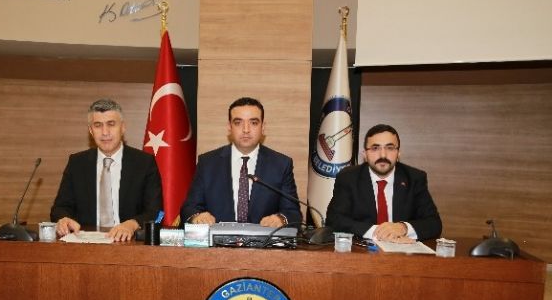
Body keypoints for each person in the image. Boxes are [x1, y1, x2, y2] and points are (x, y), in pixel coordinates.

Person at [51, 98, 162, 241]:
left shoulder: (144, 163)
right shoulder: (77, 163)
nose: (105, 132)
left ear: (123, 127)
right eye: (98, 125)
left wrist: (132, 224)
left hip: (128, 243)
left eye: (111, 124)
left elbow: (156, 211)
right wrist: (63, 219)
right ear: (91, 130)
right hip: (85, 243)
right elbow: (59, 208)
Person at [180, 97, 302, 227]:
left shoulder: (281, 165)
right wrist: (197, 217)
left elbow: (293, 213)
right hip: (218, 239)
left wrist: (281, 219)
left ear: (263, 127)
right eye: (238, 123)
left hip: (264, 239)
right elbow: (189, 208)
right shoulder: (207, 163)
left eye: (253, 123)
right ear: (229, 127)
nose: (246, 129)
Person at [325, 124, 441, 241]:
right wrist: (378, 232)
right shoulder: (348, 178)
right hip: (363, 249)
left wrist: (403, 228)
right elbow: (334, 220)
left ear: (398, 153)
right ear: (365, 154)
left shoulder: (414, 178)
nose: (383, 155)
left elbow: (434, 223)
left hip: (402, 248)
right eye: (375, 148)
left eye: (390, 148)